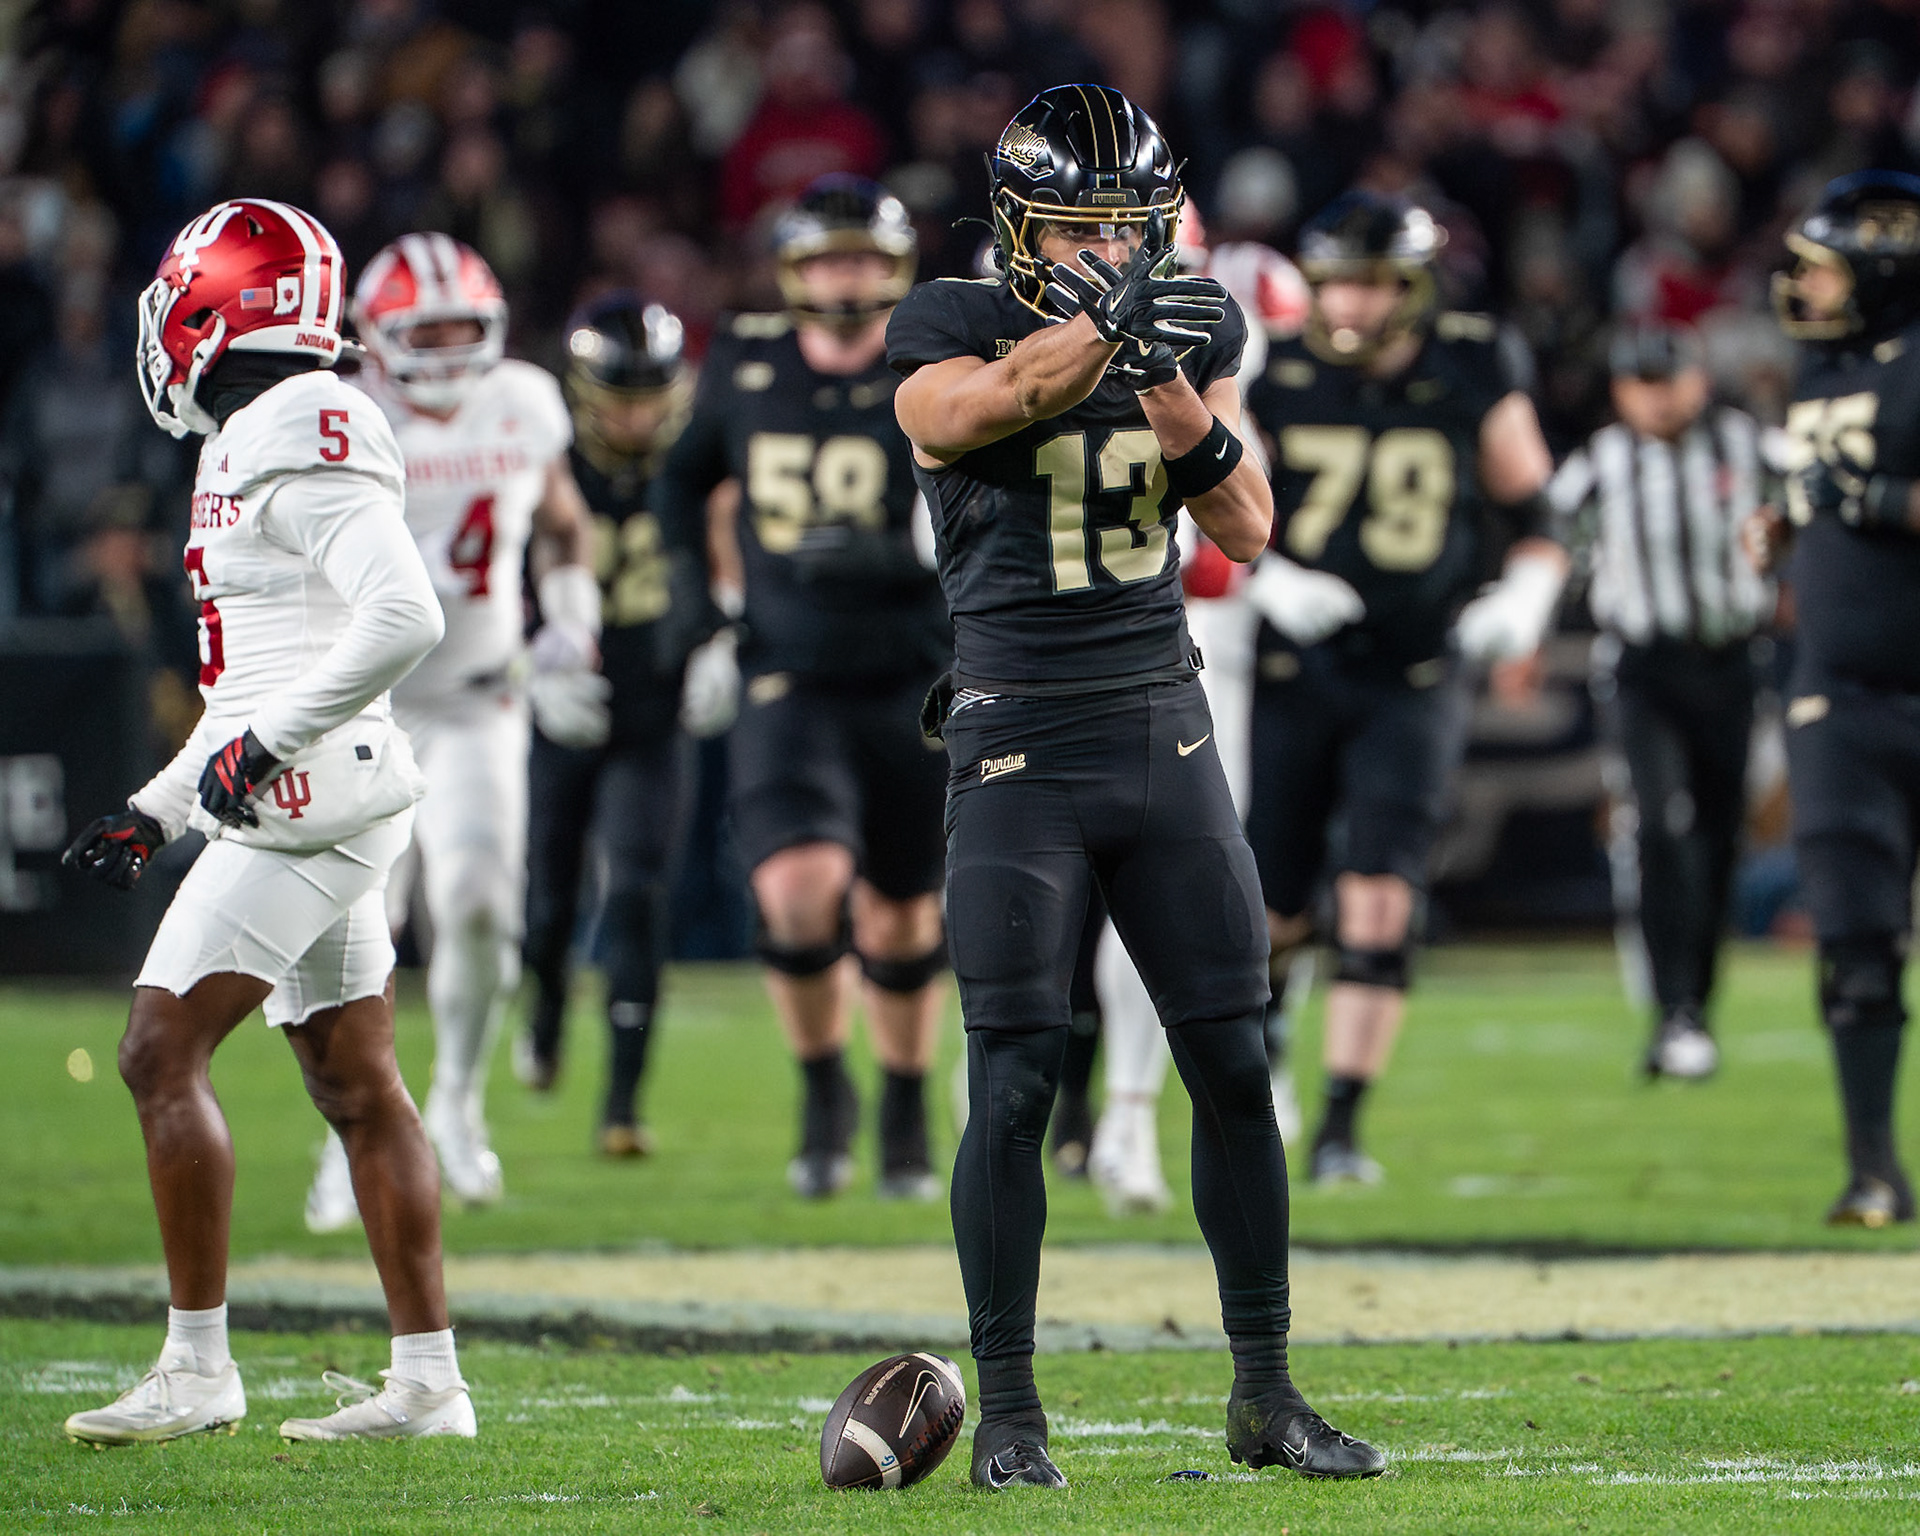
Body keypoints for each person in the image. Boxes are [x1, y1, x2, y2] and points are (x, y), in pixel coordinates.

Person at [889, 83, 1384, 1488]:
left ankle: (1269, 1394)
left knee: (1232, 1057)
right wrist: (1105, 331)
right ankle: (1013, 1416)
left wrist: (1165, 376)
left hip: (1163, 720)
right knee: (1015, 1079)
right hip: (1014, 736)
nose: (1111, 245)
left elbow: (1247, 523)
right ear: (1018, 226)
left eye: (1130, 224)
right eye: (1080, 224)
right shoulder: (944, 319)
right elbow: (970, 413)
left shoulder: (1199, 323)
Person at [60, 198, 473, 1443]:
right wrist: (156, 806)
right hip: (318, 786)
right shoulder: (273, 423)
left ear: (209, 302)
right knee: (357, 1082)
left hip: (309, 803)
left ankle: (198, 1369)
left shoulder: (296, 422)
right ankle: (429, 1384)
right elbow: (260, 678)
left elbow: (404, 617)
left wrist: (260, 750)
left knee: (154, 1050)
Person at [1241, 190, 1565, 1185]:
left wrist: (1529, 593)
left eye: (1373, 281)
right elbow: (1216, 499)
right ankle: (1269, 1064)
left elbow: (1539, 512)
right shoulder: (1274, 366)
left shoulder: (1474, 357)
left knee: (1381, 892)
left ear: (1415, 287)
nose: (1351, 303)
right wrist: (1267, 576)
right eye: (1337, 280)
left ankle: (1343, 1123)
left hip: (1418, 672)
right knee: (1276, 905)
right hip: (1297, 667)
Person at [656, 175, 953, 1202]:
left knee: (905, 916)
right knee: (796, 887)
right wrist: (699, 613)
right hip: (787, 670)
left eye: (865, 259)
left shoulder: (932, 360)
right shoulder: (744, 361)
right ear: (793, 270)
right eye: (829, 258)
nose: (847, 277)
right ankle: (826, 1092)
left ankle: (907, 1101)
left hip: (915, 672)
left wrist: (902, 553)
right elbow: (678, 477)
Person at [303, 233, 602, 1231]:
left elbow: (561, 522)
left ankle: (461, 1108)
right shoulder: (336, 410)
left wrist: (570, 624)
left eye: (455, 329)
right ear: (373, 336)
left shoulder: (520, 399)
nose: (438, 348)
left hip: (479, 694)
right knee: (355, 928)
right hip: (360, 705)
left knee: (480, 905)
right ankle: (348, 1134)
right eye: (418, 331)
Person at [516, 292, 738, 1154]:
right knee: (547, 904)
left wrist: (720, 634)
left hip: (651, 698)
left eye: (652, 392)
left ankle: (620, 1103)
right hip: (561, 694)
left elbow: (725, 531)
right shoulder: (546, 451)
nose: (639, 413)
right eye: (623, 394)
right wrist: (526, 663)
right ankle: (543, 1010)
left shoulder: (696, 449)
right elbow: (504, 561)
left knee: (642, 890)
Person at [1751, 170, 1920, 1227]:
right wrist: (1784, 535)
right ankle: (1873, 1169)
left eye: (1821, 265)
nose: (1803, 286)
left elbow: (1859, 497)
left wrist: (1867, 498)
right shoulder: (1818, 377)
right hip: (1836, 691)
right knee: (1855, 936)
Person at [1551, 322, 1773, 1079]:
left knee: (1719, 837)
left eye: (1667, 378)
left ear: (1697, 379)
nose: (1658, 396)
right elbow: (1550, 542)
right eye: (1641, 382)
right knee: (1659, 827)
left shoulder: (1750, 449)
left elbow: (1803, 522)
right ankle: (1672, 1006)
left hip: (1732, 662)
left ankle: (1696, 1003)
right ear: (1620, 391)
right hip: (1644, 668)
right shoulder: (1602, 464)